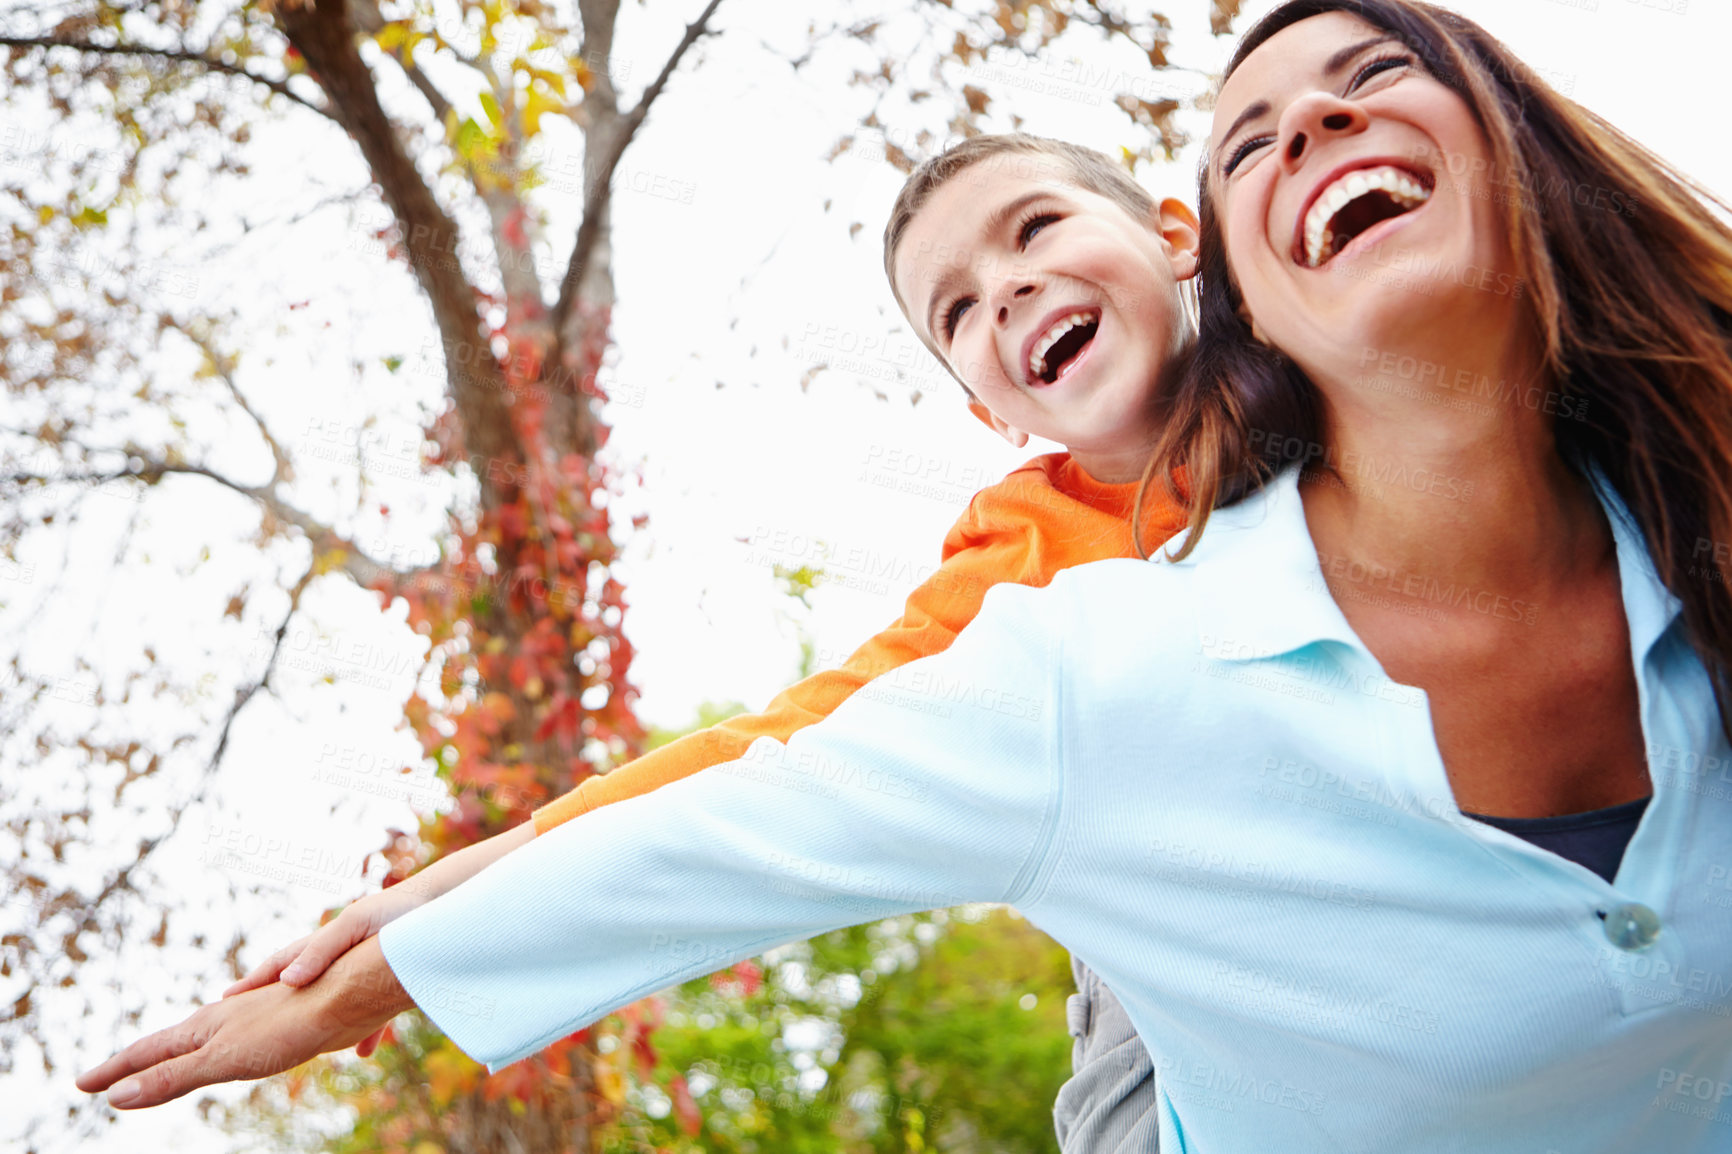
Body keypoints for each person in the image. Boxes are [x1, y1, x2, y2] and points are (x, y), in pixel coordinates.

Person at [79, 2, 1732, 1148]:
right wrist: (446, 900)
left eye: (1032, 236)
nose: (1006, 295)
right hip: (1184, 977)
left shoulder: (1422, 371)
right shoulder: (1031, 593)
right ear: (984, 401)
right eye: (960, 310)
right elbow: (768, 773)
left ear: (1178, 237)